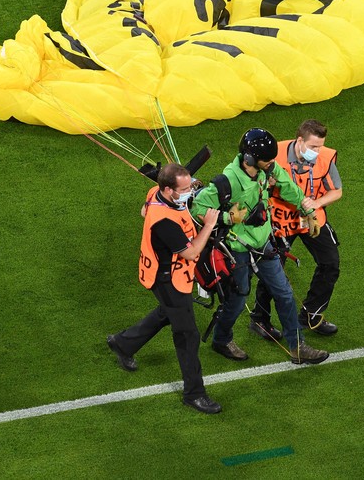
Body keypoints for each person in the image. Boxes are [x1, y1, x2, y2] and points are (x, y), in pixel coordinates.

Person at [190, 128, 329, 365]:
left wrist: (308, 210)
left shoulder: (268, 169)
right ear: (251, 159)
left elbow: (287, 186)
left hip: (264, 243)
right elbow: (198, 208)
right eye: (268, 160)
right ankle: (221, 339)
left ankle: (297, 347)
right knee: (237, 297)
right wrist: (228, 219)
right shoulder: (228, 181)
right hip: (237, 248)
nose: (273, 165)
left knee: (284, 293)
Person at [107, 163, 222, 414]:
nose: (190, 192)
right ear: (169, 190)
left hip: (164, 272)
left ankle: (123, 343)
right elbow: (191, 253)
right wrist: (209, 225)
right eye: (184, 189)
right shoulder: (164, 223)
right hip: (168, 280)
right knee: (187, 334)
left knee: (167, 313)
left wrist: (189, 188)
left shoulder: (154, 194)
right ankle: (194, 394)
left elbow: (142, 210)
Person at [250, 120, 343, 339]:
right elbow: (253, 187)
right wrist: (267, 185)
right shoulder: (274, 154)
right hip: (280, 219)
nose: (317, 152)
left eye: (320, 146)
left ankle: (311, 314)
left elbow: (336, 191)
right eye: (313, 147)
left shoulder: (325, 158)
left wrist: (317, 204)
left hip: (311, 218)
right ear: (299, 140)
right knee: (273, 271)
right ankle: (260, 320)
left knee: (330, 263)